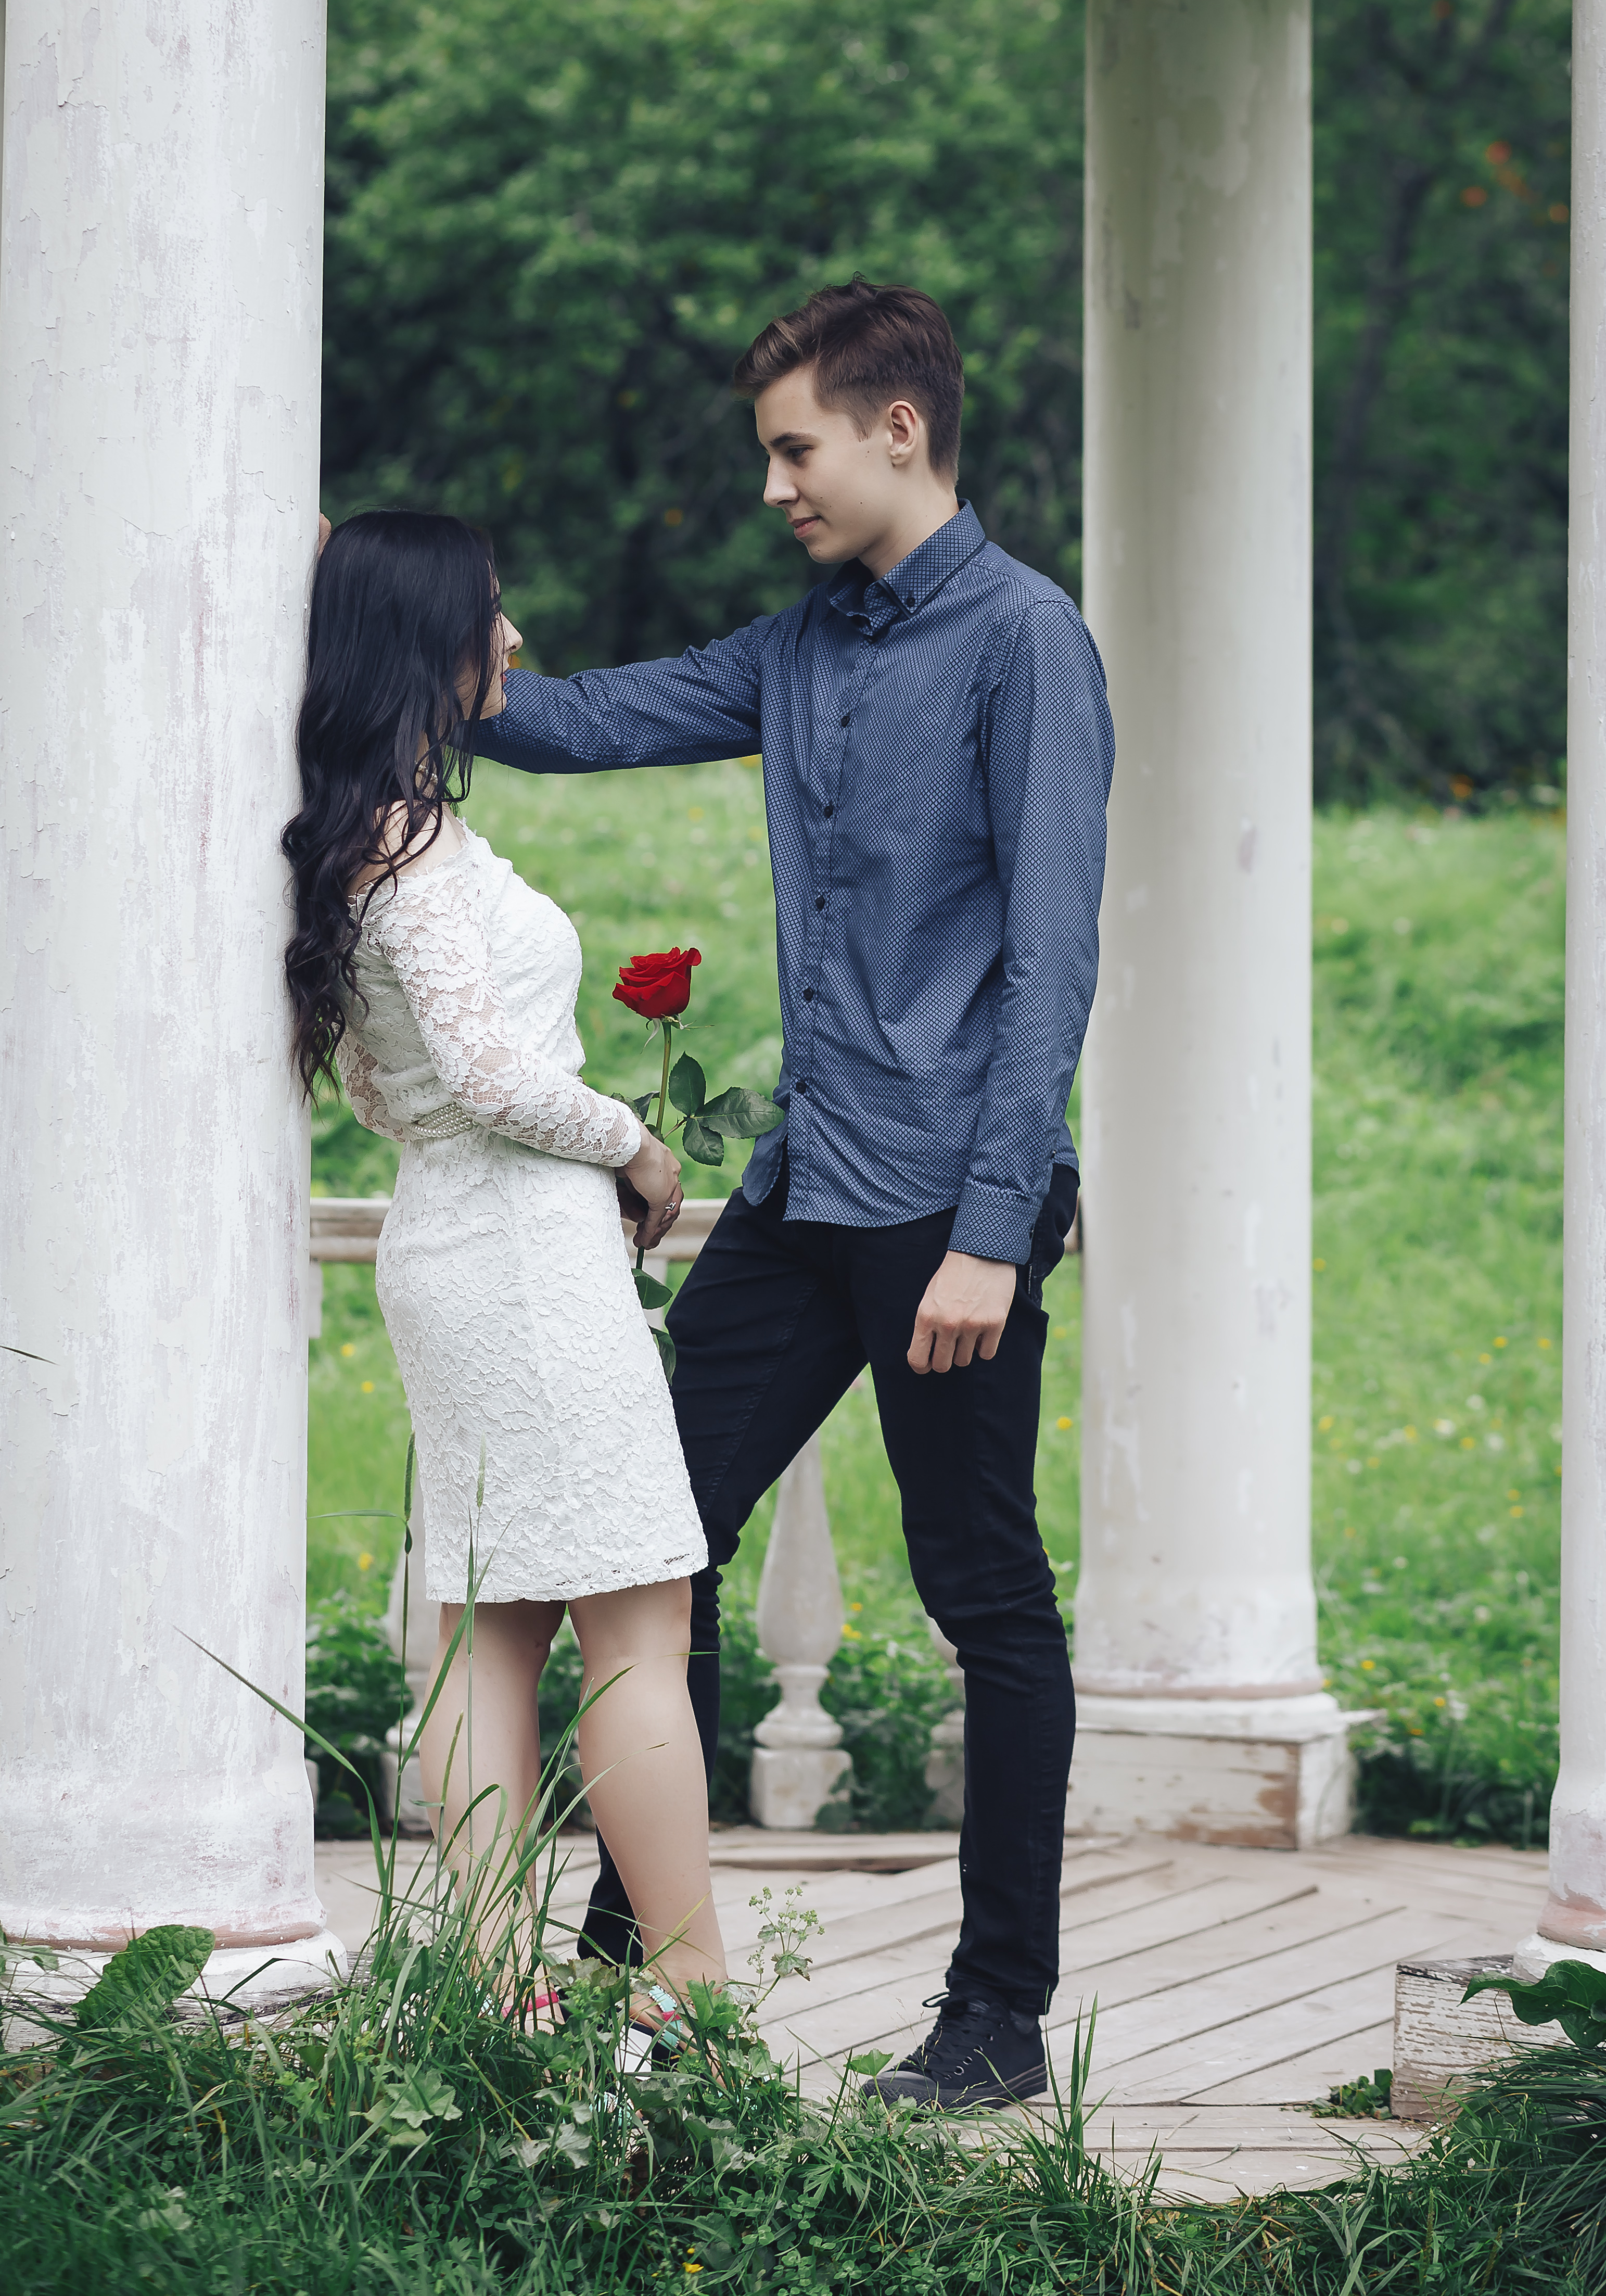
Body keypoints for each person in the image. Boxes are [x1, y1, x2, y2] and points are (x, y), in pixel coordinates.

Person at [475, 278, 1113, 2109]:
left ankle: (994, 2022)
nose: (774, 488)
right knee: (648, 1541)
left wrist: (991, 1230)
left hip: (947, 1202)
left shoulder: (1026, 642)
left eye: (793, 450)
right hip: (807, 1180)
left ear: (897, 430)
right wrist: (389, 612)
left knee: (984, 1593)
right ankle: (632, 1974)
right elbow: (568, 723)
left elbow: (1050, 960)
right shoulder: (799, 646)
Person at [282, 510, 723, 2049]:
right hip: (525, 1256)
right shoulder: (408, 851)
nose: (514, 637)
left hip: (450, 1237)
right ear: (422, 639)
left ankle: (490, 1989)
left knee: (496, 1628)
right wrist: (635, 1147)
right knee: (638, 1617)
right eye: (489, 610)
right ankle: (692, 1987)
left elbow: (383, 1090)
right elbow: (481, 1073)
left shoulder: (358, 839)